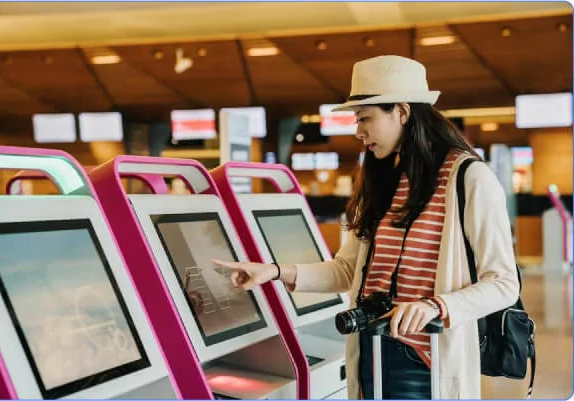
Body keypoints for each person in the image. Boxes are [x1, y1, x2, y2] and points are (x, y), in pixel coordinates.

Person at [213, 55, 519, 399]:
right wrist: (272, 271)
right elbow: (346, 270)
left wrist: (434, 306)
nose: (358, 132)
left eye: (365, 119)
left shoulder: (468, 178)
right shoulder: (382, 179)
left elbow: (504, 282)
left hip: (426, 362)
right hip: (370, 351)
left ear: (401, 112)